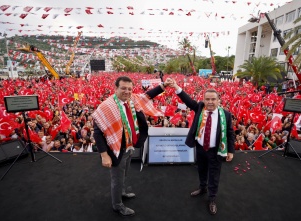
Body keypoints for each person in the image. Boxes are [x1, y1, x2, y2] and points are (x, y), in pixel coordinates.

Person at [92, 76, 172, 217]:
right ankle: (117, 205)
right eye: (123, 88)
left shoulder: (132, 100)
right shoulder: (106, 106)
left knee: (124, 174)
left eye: (129, 89)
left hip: (129, 146)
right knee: (117, 179)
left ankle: (122, 193)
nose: (127, 91)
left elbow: (148, 95)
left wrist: (164, 85)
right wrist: (104, 155)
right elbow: (98, 133)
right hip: (116, 149)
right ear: (115, 88)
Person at [169, 79, 234, 215]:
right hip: (200, 148)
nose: (210, 102)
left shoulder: (226, 115)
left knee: (214, 175)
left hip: (216, 150)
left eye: (213, 99)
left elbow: (229, 133)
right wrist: (176, 86)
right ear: (203, 100)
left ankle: (212, 198)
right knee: (201, 170)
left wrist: (230, 151)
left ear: (218, 101)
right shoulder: (200, 107)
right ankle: (202, 187)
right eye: (207, 99)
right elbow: (188, 100)